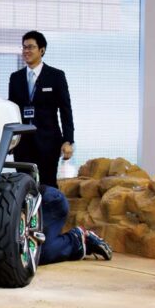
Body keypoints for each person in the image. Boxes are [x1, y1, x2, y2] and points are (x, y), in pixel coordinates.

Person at [8, 31, 74, 188]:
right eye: (24, 47)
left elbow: (66, 110)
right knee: (23, 187)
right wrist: (10, 140)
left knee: (47, 186)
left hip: (48, 142)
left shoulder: (56, 76)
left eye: (31, 47)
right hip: (23, 144)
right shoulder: (15, 78)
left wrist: (68, 140)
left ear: (42, 50)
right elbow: (12, 111)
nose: (26, 51)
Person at [40, 185, 112, 264]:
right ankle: (77, 244)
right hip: (46, 199)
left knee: (36, 252)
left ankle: (76, 239)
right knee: (35, 251)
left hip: (47, 200)